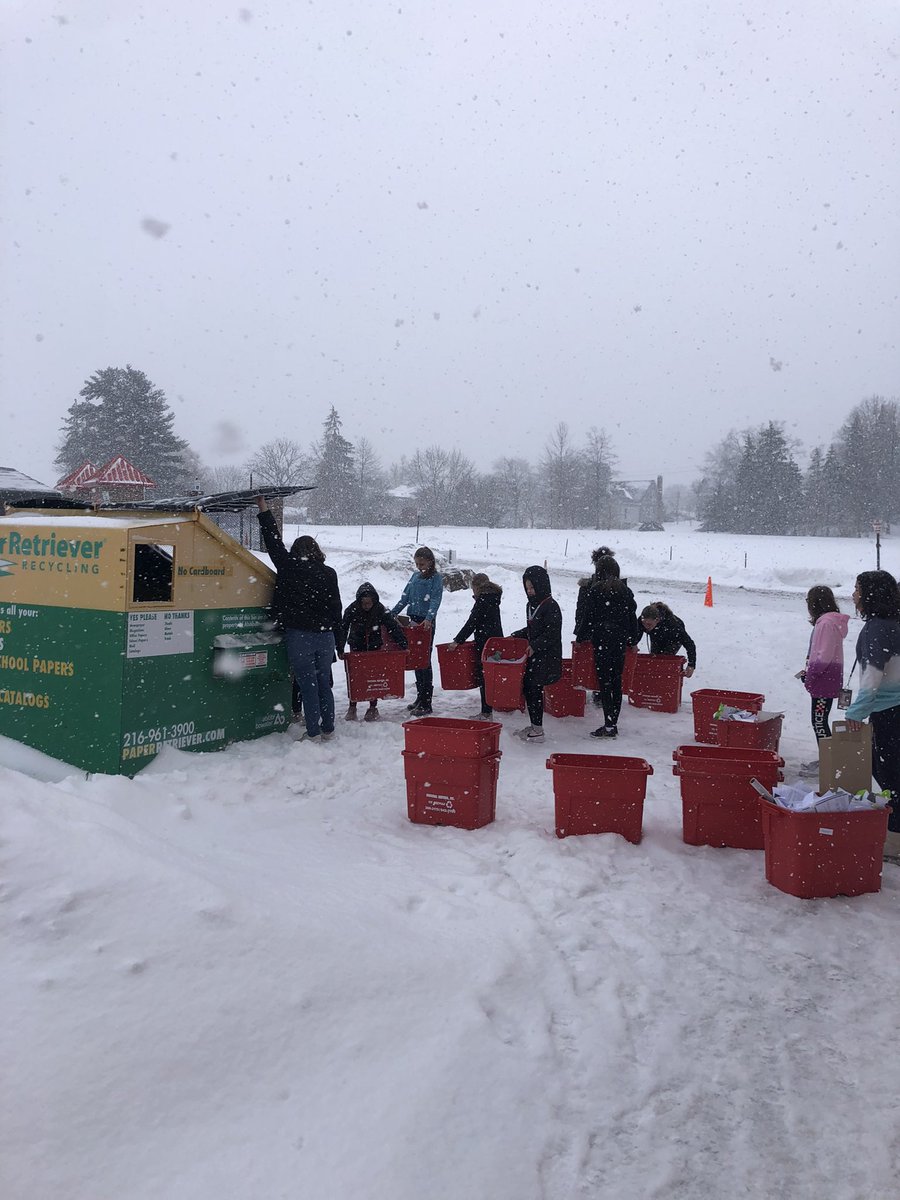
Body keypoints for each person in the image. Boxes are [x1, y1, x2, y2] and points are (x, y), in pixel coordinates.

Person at [256, 497, 342, 743]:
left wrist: (263, 509)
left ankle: (313, 732)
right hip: (325, 636)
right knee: (323, 683)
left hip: (299, 635)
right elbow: (337, 608)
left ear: (296, 551)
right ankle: (328, 728)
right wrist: (339, 641)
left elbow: (272, 540)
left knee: (307, 685)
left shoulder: (289, 566)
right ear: (316, 551)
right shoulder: (329, 573)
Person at [844, 570, 900, 857]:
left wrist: (856, 711)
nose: (853, 594)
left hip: (888, 712)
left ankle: (894, 841)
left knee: (889, 775)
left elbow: (873, 676)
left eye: (857, 589)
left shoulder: (877, 628)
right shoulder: (894, 623)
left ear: (870, 595)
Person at [575, 554, 638, 738]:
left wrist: (580, 637)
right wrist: (633, 640)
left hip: (601, 639)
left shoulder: (595, 591)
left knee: (604, 682)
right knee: (616, 681)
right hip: (618, 640)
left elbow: (588, 617)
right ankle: (612, 723)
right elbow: (631, 618)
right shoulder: (626, 591)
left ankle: (609, 723)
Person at [338, 582, 408, 722]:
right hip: (357, 647)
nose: (366, 606)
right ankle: (353, 706)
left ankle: (372, 707)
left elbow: (392, 627)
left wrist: (403, 644)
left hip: (374, 647)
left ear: (374, 601)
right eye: (364, 603)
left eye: (369, 603)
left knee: (374, 677)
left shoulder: (380, 609)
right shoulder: (352, 609)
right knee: (356, 677)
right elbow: (343, 628)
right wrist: (339, 648)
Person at [796, 586, 848, 767]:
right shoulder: (829, 622)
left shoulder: (825, 623)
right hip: (828, 678)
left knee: (819, 721)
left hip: (823, 681)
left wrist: (812, 674)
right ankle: (828, 759)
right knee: (820, 720)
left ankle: (828, 763)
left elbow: (823, 655)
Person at [510, 565, 562, 743]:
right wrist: (518, 634)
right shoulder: (530, 605)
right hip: (534, 657)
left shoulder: (551, 607)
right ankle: (534, 725)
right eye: (527, 588)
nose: (530, 591)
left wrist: (536, 645)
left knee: (534, 690)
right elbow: (533, 629)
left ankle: (538, 730)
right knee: (529, 689)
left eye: (533, 587)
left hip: (546, 656)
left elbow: (552, 633)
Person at [391, 546, 444, 716]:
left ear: (430, 562)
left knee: (424, 660)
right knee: (415, 658)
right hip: (412, 619)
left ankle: (426, 701)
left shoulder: (436, 578)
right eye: (417, 563)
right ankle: (420, 697)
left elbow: (435, 599)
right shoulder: (414, 576)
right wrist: (391, 613)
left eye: (422, 563)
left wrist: (429, 617)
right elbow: (405, 598)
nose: (419, 566)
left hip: (425, 623)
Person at [448, 572, 504, 718]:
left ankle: (486, 712)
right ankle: (490, 708)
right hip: (496, 642)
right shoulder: (493, 598)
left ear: (477, 588)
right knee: (491, 676)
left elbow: (472, 623)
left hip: (485, 643)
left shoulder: (483, 600)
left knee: (484, 677)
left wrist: (457, 641)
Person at [575, 546, 616, 706]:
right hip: (607, 633)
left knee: (593, 663)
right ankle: (601, 692)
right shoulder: (616, 586)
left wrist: (581, 630)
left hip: (595, 631)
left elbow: (582, 611)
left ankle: (597, 690)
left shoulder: (588, 587)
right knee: (605, 665)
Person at [637, 602, 697, 677]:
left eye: (649, 624)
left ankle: (665, 680)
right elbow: (636, 636)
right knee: (654, 659)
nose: (646, 627)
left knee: (664, 661)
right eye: (644, 623)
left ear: (657, 620)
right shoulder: (641, 621)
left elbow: (689, 644)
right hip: (656, 635)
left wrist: (691, 665)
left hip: (673, 639)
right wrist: (633, 644)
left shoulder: (673, 625)